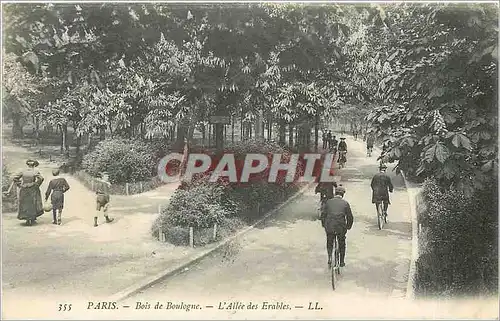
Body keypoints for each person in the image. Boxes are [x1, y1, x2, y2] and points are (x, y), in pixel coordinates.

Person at [320, 185, 353, 267]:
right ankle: (341, 261)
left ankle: (330, 257)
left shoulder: (328, 202)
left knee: (329, 241)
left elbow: (323, 215)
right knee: (342, 242)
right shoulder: (345, 203)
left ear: (335, 193)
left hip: (330, 226)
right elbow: (350, 217)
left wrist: (324, 225)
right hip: (340, 227)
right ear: (343, 194)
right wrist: (348, 226)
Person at [13, 159, 44, 226]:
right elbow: (41, 178)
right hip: (32, 189)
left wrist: (19, 185)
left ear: (27, 164)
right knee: (32, 203)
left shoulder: (23, 171)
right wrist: (36, 185)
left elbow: (15, 178)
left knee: (25, 203)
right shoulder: (35, 171)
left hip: (24, 188)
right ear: (33, 165)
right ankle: (32, 219)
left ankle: (27, 219)